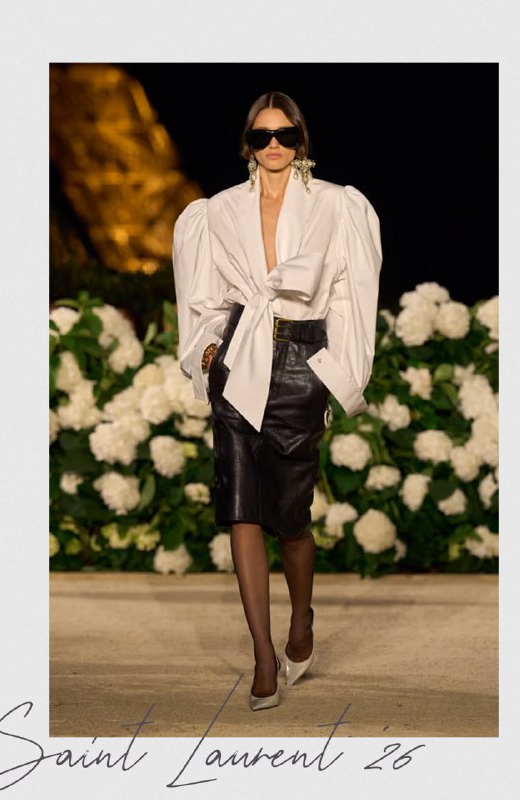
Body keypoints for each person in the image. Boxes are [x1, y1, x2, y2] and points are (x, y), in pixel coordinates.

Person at [172, 91, 382, 711]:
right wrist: (207, 352)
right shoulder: (215, 212)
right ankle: (263, 655)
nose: (273, 145)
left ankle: (301, 618)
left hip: (300, 362)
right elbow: (201, 296)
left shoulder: (337, 205)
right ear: (248, 142)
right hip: (239, 358)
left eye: (285, 135)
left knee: (291, 518)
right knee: (241, 507)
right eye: (262, 135)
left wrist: (335, 374)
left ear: (299, 140)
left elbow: (351, 295)